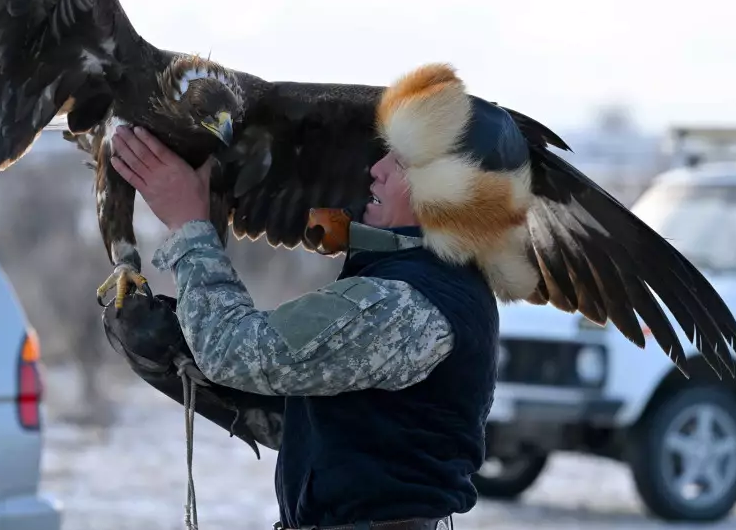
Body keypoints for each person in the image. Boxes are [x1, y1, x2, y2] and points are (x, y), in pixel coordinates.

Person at [107, 65, 537, 530]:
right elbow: (339, 425)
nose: (376, 169)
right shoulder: (424, 282)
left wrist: (189, 224)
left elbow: (232, 352)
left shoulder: (408, 304)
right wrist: (180, 355)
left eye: (400, 161)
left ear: (447, 191)